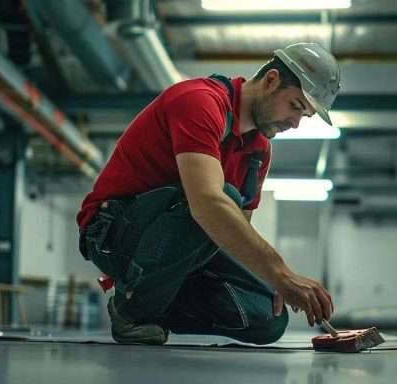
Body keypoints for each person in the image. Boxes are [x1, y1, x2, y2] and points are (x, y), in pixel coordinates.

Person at [76, 42, 341, 345]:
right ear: (271, 81)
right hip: (112, 232)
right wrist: (280, 272)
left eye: (304, 116)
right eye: (295, 106)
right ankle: (133, 311)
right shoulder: (200, 102)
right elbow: (206, 204)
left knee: (270, 313)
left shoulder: (258, 153)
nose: (294, 124)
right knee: (219, 198)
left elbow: (230, 237)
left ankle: (152, 301)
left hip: (177, 245)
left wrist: (273, 281)